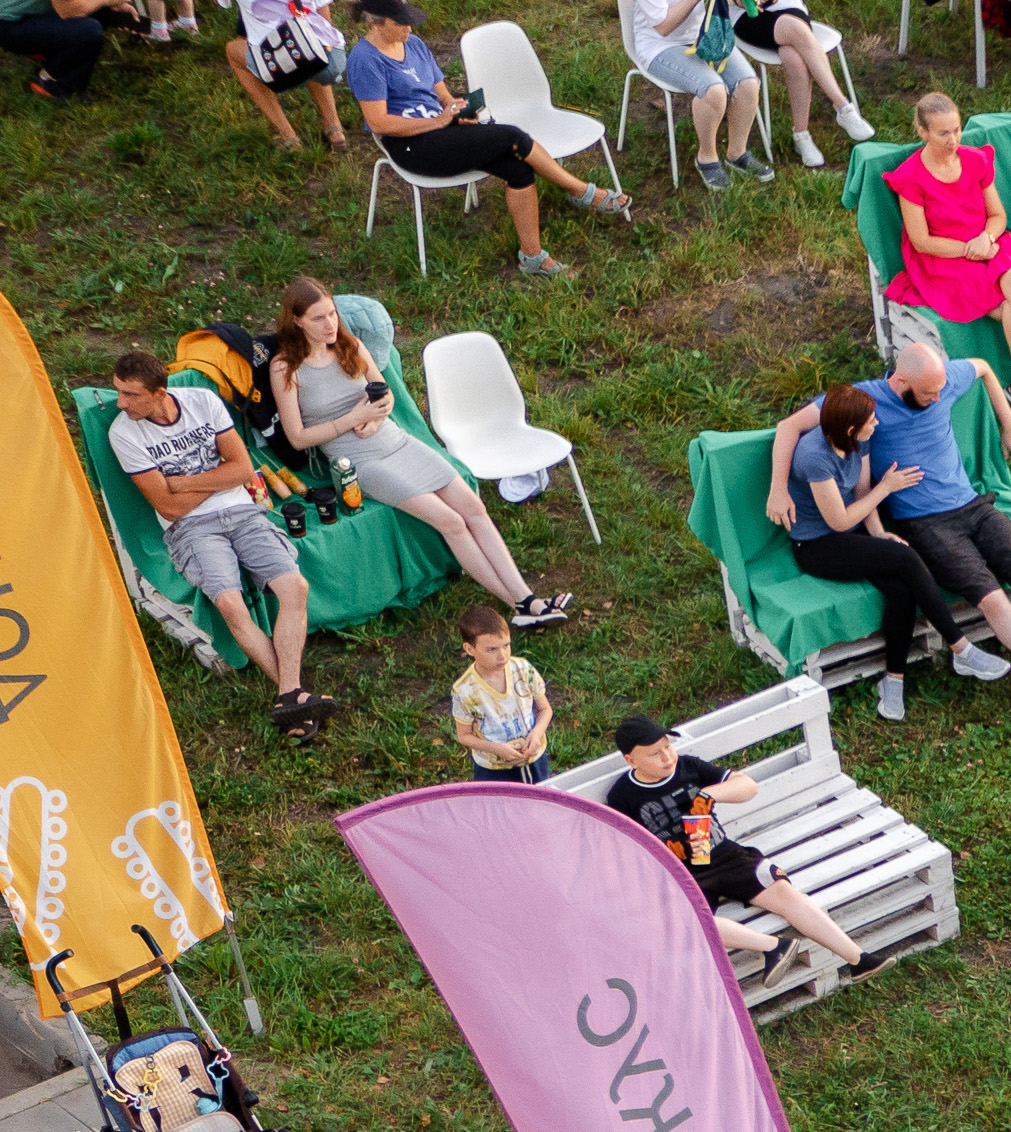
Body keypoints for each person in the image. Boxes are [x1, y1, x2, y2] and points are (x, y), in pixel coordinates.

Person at [763, 346, 1011, 722]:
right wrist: (778, 488)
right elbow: (791, 427)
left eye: (941, 390)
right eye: (929, 394)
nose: (939, 399)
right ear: (902, 381)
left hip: (973, 505)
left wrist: (1010, 425)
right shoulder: (860, 406)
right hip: (924, 524)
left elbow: (984, 366)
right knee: (989, 598)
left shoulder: (927, 388)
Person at [267, 279, 563, 629]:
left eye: (332, 313)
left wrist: (375, 419)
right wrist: (353, 419)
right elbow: (298, 437)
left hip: (396, 440)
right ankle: (520, 604)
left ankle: (526, 597)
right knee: (451, 522)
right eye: (319, 318)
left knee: (475, 509)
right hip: (361, 462)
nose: (330, 324)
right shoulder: (285, 368)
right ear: (297, 320)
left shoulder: (350, 346)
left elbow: (384, 394)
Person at [341, 0, 630, 275]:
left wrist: (456, 108)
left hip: (442, 128)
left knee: (517, 168)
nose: (410, 29)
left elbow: (439, 92)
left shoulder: (413, 45)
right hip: (411, 145)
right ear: (375, 23)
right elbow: (378, 121)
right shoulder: (365, 60)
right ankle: (581, 191)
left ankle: (532, 256)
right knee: (511, 137)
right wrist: (436, 122)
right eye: (401, 23)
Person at [104, 370, 319, 738]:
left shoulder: (201, 401)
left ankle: (288, 693)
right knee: (232, 606)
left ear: (159, 392)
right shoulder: (123, 433)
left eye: (130, 394)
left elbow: (244, 469)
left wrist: (186, 483)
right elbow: (167, 507)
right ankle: (295, 695)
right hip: (190, 528)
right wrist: (220, 477)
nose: (121, 404)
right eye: (118, 393)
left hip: (243, 512)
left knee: (295, 587)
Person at [602, 714, 878, 983]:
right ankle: (774, 947)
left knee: (782, 891)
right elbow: (626, 848)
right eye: (654, 754)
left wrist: (708, 795)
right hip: (682, 872)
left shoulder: (688, 767)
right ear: (630, 759)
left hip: (724, 853)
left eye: (668, 746)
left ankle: (858, 959)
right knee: (686, 921)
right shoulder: (623, 796)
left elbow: (748, 786)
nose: (667, 757)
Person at [881, 93, 1011, 429]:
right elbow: (922, 241)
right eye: (943, 133)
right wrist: (970, 249)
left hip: (989, 243)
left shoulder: (975, 160)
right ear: (922, 132)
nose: (953, 140)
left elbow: (997, 215)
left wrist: (986, 239)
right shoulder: (911, 176)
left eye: (956, 130)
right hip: (946, 259)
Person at [780, 384, 956, 727]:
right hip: (818, 545)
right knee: (903, 558)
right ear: (849, 428)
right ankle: (958, 644)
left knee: (901, 589)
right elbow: (840, 519)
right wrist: (886, 488)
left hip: (852, 531)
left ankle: (893, 681)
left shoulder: (860, 438)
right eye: (871, 420)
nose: (876, 424)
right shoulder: (814, 455)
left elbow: (861, 491)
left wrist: (877, 532)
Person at [622, 0, 768, 191]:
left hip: (703, 35)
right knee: (713, 90)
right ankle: (707, 158)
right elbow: (663, 26)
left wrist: (741, 2)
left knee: (748, 84)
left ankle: (737, 153)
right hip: (659, 45)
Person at [734, 0, 866, 166]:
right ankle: (842, 106)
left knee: (794, 57)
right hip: (744, 15)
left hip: (786, 6)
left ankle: (801, 135)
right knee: (797, 32)